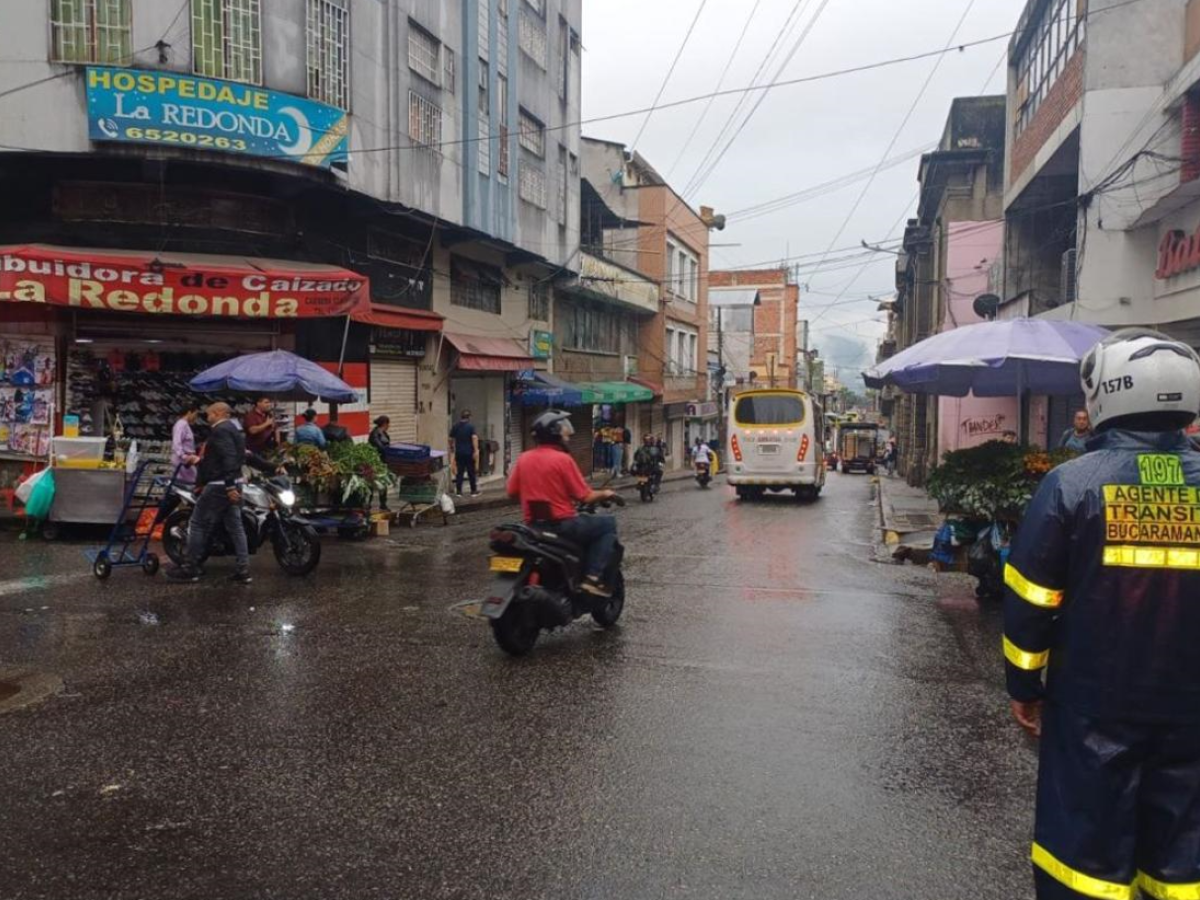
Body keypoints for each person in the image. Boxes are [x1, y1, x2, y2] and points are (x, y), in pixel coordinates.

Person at [1002, 329, 1200, 900]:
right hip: (1191, 711)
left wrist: (1023, 683)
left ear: (1106, 395)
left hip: (1094, 709)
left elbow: (1032, 597)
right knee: (1183, 857)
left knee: (1084, 855)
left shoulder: (1072, 484)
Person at [507, 410, 619, 597]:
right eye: (565, 433)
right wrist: (607, 493)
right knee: (608, 524)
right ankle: (592, 577)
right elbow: (585, 496)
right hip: (563, 525)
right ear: (555, 434)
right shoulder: (562, 460)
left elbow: (511, 492)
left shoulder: (524, 458)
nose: (567, 438)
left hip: (533, 526)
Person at [167, 402, 277, 585]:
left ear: (218, 413)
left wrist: (229, 486)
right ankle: (243, 570)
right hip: (234, 482)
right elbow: (244, 455)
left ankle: (191, 567)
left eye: (209, 413)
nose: (207, 417)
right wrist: (272, 467)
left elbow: (228, 458)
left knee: (197, 523)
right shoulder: (236, 430)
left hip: (220, 485)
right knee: (235, 526)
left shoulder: (220, 431)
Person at [450, 410, 480, 497]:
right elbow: (474, 438)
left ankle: (459, 492)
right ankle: (473, 491)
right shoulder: (471, 427)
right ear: (469, 417)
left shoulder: (455, 426)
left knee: (460, 472)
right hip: (469, 453)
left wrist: (452, 448)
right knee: (471, 472)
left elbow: (450, 438)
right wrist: (475, 451)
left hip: (459, 452)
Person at [170, 405, 202, 484]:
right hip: (183, 458)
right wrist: (183, 456)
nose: (196, 417)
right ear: (189, 412)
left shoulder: (184, 424)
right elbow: (177, 442)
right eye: (195, 414)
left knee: (185, 481)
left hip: (185, 457)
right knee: (192, 481)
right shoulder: (181, 424)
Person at [368, 416, 391, 512]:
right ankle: (368, 504)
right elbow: (380, 447)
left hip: (383, 461)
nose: (389, 425)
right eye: (388, 423)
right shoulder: (375, 434)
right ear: (384, 423)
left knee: (383, 483)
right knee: (371, 483)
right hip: (375, 461)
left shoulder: (383, 433)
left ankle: (383, 504)